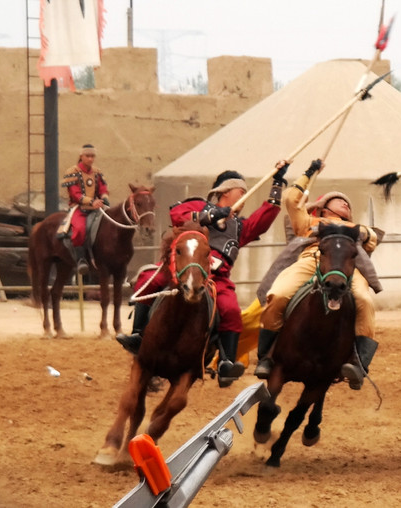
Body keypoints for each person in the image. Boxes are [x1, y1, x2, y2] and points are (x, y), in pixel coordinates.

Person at [117, 162, 287, 388]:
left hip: (216, 279)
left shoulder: (238, 226)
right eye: (242, 192)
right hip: (182, 268)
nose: (245, 197)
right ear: (226, 191)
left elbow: (262, 220)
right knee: (150, 279)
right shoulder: (200, 205)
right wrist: (211, 214)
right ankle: (138, 335)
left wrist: (277, 184)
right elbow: (177, 215)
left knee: (231, 311)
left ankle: (226, 362)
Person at [257, 158, 383, 389]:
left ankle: (358, 362)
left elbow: (371, 238)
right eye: (339, 201)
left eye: (348, 204)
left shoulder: (357, 230)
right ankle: (267, 355)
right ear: (324, 207)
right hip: (310, 260)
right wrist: (310, 172)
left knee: (364, 300)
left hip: (346, 265)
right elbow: (291, 200)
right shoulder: (309, 222)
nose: (346, 204)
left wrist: (351, 231)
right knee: (278, 294)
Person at [57, 143, 109, 276]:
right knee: (79, 229)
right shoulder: (72, 172)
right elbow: (75, 194)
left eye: (92, 156)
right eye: (88, 156)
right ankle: (81, 260)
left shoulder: (97, 172)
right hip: (79, 208)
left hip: (98, 207)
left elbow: (102, 188)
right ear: (81, 156)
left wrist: (104, 198)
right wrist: (92, 201)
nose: (91, 159)